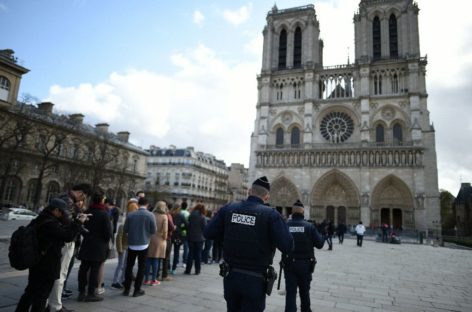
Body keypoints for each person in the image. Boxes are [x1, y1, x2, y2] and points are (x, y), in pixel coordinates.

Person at [204, 176, 294, 312]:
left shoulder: (229, 209)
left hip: (230, 276)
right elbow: (287, 246)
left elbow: (208, 233)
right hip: (256, 279)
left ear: (249, 191)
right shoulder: (271, 215)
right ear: (267, 197)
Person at [16, 198, 87, 312]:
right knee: (42, 296)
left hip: (37, 262)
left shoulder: (41, 219)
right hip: (47, 264)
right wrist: (79, 223)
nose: (62, 214)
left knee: (30, 291)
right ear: (55, 210)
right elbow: (67, 236)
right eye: (61, 212)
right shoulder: (50, 224)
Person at [48, 183, 92, 312]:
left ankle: (48, 303)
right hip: (65, 242)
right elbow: (68, 224)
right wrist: (80, 220)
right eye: (83, 197)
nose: (82, 200)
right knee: (60, 274)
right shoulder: (69, 201)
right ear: (81, 193)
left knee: (54, 273)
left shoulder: (62, 197)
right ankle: (56, 306)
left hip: (56, 241)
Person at [282, 200, 324, 312]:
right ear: (303, 212)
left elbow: (279, 243)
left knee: (290, 293)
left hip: (289, 264)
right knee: (304, 293)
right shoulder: (309, 226)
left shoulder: (285, 225)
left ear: (292, 212)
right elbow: (320, 244)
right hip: (305, 265)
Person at [77, 191, 112, 302]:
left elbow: (81, 228)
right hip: (99, 246)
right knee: (94, 270)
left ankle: (81, 292)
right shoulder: (104, 214)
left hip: (87, 244)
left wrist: (87, 235)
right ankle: (91, 293)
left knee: (83, 269)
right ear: (101, 200)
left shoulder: (87, 212)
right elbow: (108, 233)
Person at [122, 197, 156, 297]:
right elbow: (153, 231)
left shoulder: (131, 215)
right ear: (147, 204)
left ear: (138, 204)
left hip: (132, 244)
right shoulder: (150, 215)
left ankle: (126, 289)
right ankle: (137, 290)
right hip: (144, 244)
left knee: (129, 267)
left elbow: (125, 229)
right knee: (141, 267)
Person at [111, 199, 138, 289]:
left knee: (126, 265)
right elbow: (119, 237)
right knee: (121, 265)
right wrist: (120, 249)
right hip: (123, 247)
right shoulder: (125, 221)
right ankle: (115, 281)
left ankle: (122, 280)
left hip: (128, 247)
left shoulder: (132, 220)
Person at [144, 201, 168, 286]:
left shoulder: (150, 214)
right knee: (156, 260)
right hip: (159, 239)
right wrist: (165, 238)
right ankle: (154, 279)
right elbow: (165, 231)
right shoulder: (164, 216)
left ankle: (146, 279)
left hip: (150, 238)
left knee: (148, 259)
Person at [184, 203, 207, 275]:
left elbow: (187, 225)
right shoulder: (202, 217)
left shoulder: (191, 215)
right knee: (198, 254)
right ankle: (197, 270)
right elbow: (205, 228)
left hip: (190, 237)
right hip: (200, 238)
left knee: (190, 253)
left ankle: (188, 270)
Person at [170, 204, 188, 273]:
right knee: (176, 252)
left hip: (169, 234)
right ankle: (174, 268)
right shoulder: (180, 215)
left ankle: (167, 267)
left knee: (167, 252)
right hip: (178, 235)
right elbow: (187, 224)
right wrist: (181, 228)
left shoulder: (169, 214)